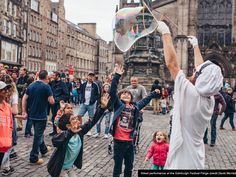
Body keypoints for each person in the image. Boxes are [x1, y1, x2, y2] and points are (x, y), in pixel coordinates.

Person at [156, 21, 223, 169]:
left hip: (183, 158)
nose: (195, 71)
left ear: (202, 79)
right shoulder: (210, 98)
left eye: (197, 73)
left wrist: (166, 33)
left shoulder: (192, 94)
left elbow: (172, 64)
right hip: (196, 155)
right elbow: (203, 72)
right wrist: (195, 46)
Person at [109, 65, 160, 177]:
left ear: (131, 98)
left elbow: (145, 100)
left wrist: (153, 93)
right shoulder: (118, 105)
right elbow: (112, 91)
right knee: (117, 167)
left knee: (129, 167)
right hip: (118, 141)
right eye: (123, 93)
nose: (126, 94)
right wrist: (117, 76)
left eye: (128, 94)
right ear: (120, 97)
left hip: (130, 141)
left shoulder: (136, 106)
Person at [47, 93, 110, 177]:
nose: (77, 119)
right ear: (68, 126)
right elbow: (54, 141)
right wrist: (70, 132)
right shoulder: (64, 135)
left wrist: (102, 108)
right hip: (58, 167)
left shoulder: (80, 131)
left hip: (69, 167)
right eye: (73, 119)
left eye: (76, 117)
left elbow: (92, 121)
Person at [22, 70, 55, 165]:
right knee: (38, 136)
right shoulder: (46, 87)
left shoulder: (31, 85)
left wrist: (24, 111)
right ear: (46, 78)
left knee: (38, 133)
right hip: (41, 115)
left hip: (32, 114)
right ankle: (33, 157)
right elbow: (51, 101)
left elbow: (24, 98)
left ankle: (43, 149)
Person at [49, 71, 69, 136]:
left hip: (59, 104)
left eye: (54, 75)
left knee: (59, 118)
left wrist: (58, 99)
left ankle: (59, 131)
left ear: (58, 76)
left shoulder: (62, 84)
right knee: (53, 117)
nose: (52, 77)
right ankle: (54, 131)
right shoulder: (51, 83)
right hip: (53, 104)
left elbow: (66, 95)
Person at [0, 81, 13, 166]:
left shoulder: (8, 106)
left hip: (4, 144)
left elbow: (10, 125)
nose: (6, 91)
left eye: (7, 89)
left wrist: (9, 138)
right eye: (3, 89)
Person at [16, 67, 28, 131]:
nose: (20, 71)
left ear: (25, 71)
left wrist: (23, 86)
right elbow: (17, 85)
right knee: (19, 111)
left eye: (21, 70)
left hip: (26, 97)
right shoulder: (19, 78)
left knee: (27, 111)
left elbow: (28, 86)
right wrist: (23, 85)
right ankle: (19, 125)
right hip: (20, 96)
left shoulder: (28, 78)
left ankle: (28, 127)